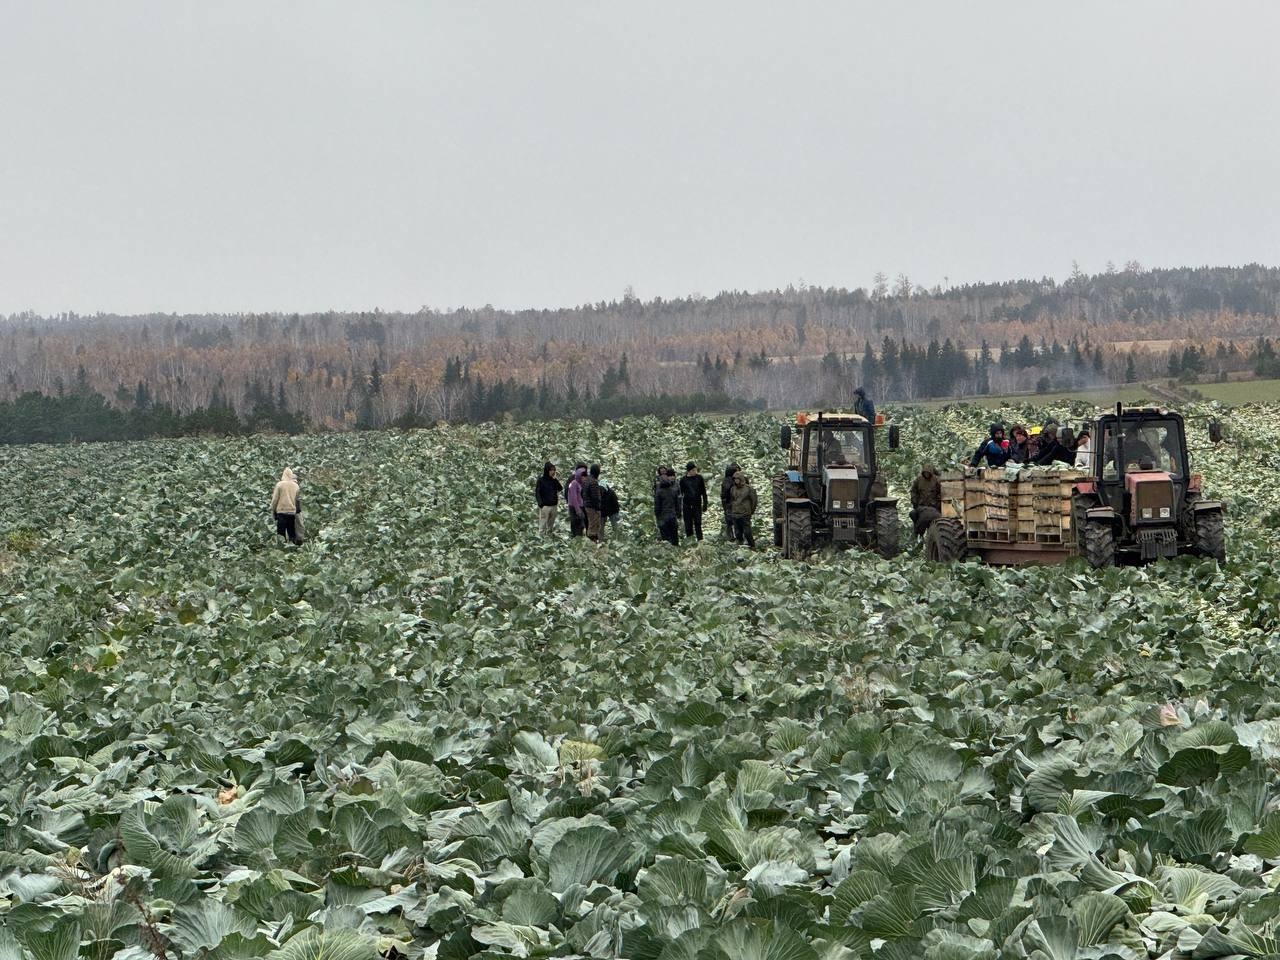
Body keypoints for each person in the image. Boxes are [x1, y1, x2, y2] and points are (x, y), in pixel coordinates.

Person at [909, 462, 942, 538]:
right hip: (921, 506)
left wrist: (938, 502)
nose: (927, 474)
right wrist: (915, 501)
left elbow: (942, 492)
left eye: (928, 472)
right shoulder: (918, 480)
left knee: (928, 515)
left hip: (933, 507)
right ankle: (917, 534)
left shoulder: (936, 480)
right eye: (925, 472)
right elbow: (913, 491)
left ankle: (918, 533)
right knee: (913, 514)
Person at [270, 467, 302, 543]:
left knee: (281, 532)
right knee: (291, 531)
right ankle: (293, 547)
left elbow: (275, 500)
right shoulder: (296, 486)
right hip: (291, 512)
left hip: (281, 511)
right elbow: (297, 500)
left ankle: (282, 548)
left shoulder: (279, 485)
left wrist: (273, 509)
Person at [679, 462, 709, 541]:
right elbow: (680, 494)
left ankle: (700, 540)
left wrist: (705, 503)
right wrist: (679, 507)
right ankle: (690, 542)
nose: (695, 471)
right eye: (693, 470)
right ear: (689, 471)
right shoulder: (683, 480)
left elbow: (704, 492)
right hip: (687, 505)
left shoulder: (699, 478)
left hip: (697, 504)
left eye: (696, 469)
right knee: (688, 525)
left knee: (698, 524)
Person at [728, 470, 758, 547]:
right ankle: (740, 546)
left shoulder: (748, 489)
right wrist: (732, 510)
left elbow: (754, 501)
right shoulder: (732, 489)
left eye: (737, 479)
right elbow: (732, 500)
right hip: (735, 514)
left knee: (747, 532)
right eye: (735, 479)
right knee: (737, 532)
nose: (736, 481)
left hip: (745, 514)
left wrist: (750, 511)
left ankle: (752, 546)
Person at [654, 467, 681, 545]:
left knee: (665, 536)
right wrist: (678, 514)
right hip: (672, 515)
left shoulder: (659, 492)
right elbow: (677, 504)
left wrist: (657, 516)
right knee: (674, 535)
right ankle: (676, 549)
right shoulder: (673, 491)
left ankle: (668, 552)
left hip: (663, 517)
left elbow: (657, 506)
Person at [535, 462, 562, 535]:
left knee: (550, 526)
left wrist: (555, 479)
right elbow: (537, 493)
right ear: (547, 470)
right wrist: (541, 504)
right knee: (542, 526)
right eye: (551, 470)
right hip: (545, 506)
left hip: (554, 506)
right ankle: (541, 540)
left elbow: (560, 488)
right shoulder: (541, 481)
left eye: (554, 470)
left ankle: (549, 539)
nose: (553, 472)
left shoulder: (554, 481)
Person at [583, 464, 604, 542]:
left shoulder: (587, 480)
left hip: (587, 505)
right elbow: (595, 497)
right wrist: (598, 507)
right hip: (592, 507)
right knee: (593, 525)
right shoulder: (593, 482)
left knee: (591, 523)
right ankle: (591, 543)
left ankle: (591, 541)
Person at [720, 462, 740, 540]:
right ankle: (735, 536)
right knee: (733, 520)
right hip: (731, 503)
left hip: (727, 503)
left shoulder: (725, 481)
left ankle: (731, 536)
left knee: (729, 521)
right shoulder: (730, 482)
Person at [566, 465, 587, 537]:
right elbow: (574, 498)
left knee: (580, 525)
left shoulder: (581, 484)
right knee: (576, 524)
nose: (584, 478)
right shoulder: (574, 483)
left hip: (580, 506)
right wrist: (578, 510)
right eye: (583, 476)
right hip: (574, 507)